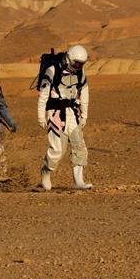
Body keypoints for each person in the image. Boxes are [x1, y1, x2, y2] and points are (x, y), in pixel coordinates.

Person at [37, 44, 93, 190]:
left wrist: (84, 114)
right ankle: (45, 172)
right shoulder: (52, 70)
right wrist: (41, 116)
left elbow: (85, 92)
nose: (78, 66)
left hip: (73, 114)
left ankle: (78, 181)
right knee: (57, 150)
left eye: (81, 64)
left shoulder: (80, 73)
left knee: (79, 146)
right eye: (76, 63)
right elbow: (43, 95)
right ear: (69, 59)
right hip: (56, 114)